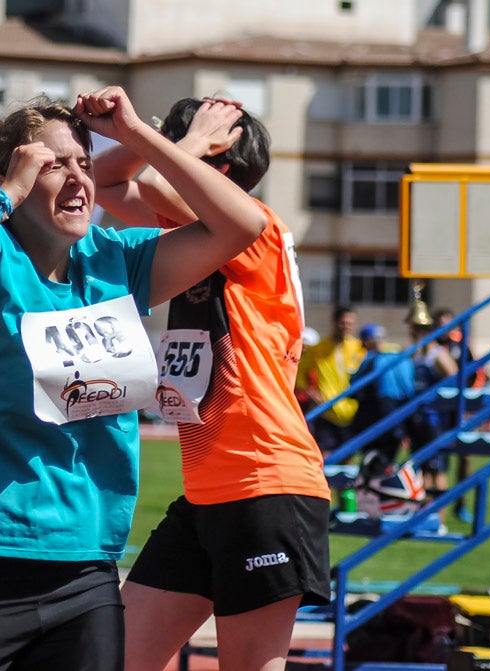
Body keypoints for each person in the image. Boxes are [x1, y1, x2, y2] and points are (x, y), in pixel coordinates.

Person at [0, 87, 266, 671]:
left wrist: (134, 134)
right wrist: (3, 194)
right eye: (54, 165)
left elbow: (242, 223)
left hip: (81, 569)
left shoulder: (119, 261)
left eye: (84, 162)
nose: (80, 178)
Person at [93, 97, 330, 671]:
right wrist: (142, 132)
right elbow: (107, 182)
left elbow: (150, 182)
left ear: (219, 165)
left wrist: (186, 140)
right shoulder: (198, 234)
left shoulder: (256, 228)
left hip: (266, 483)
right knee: (115, 659)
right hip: (205, 495)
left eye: (185, 148)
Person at [406, 300, 458, 525]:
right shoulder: (416, 356)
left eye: (417, 329)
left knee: (438, 471)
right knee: (423, 471)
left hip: (435, 421)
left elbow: (455, 379)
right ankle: (426, 517)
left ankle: (441, 519)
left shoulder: (438, 354)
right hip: (418, 420)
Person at [432, 306, 486, 523]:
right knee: (438, 459)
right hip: (437, 411)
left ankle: (461, 504)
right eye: (441, 323)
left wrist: (469, 403)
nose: (445, 328)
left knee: (465, 457)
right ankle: (434, 506)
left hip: (460, 409)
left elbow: (479, 373)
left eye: (448, 323)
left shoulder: (462, 343)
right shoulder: (431, 345)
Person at [296, 305, 365, 455]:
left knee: (348, 457)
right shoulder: (319, 349)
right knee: (326, 456)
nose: (346, 327)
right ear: (334, 323)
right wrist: (310, 392)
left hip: (351, 410)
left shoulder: (359, 348)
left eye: (350, 323)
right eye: (343, 323)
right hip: (327, 410)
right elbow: (299, 373)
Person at [350, 324, 415, 464]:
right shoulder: (400, 354)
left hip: (377, 412)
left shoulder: (371, 358)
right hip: (400, 410)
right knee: (388, 458)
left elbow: (354, 387)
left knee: (373, 458)